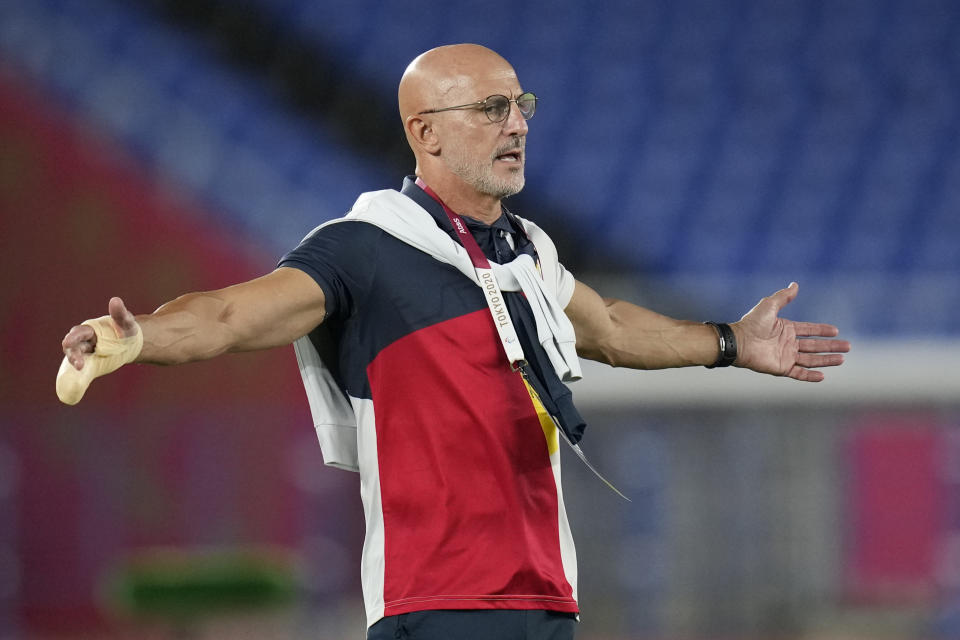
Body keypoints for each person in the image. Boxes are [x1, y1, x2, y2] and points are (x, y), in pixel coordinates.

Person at [58, 44, 850, 640]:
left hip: (547, 595)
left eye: (520, 105)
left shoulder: (527, 251)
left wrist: (728, 343)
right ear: (425, 133)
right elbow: (232, 314)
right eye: (491, 109)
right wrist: (139, 337)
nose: (517, 124)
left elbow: (609, 326)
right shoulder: (364, 247)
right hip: (434, 603)